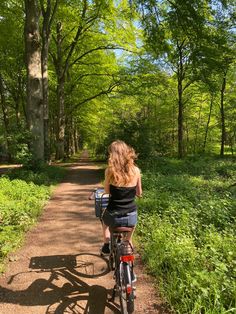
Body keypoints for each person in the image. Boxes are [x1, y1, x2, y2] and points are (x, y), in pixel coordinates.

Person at [101, 140, 142, 255]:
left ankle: (106, 244)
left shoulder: (109, 171)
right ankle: (128, 240)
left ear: (112, 154)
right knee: (132, 227)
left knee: (104, 222)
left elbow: (107, 191)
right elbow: (139, 193)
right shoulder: (136, 170)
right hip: (131, 216)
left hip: (113, 215)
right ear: (127, 152)